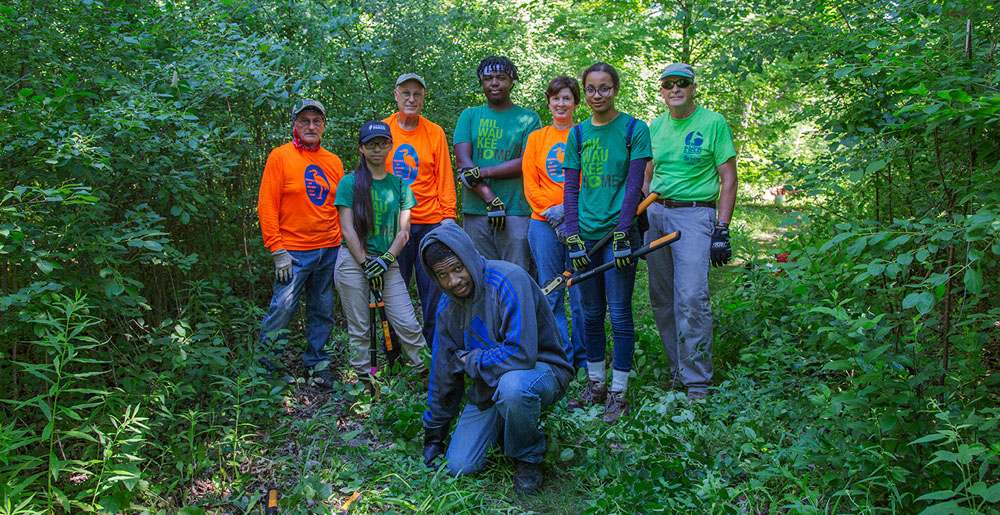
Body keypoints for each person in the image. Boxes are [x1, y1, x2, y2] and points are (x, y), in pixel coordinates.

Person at [418, 224, 573, 495]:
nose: (453, 281)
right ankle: (507, 423)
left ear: (468, 256)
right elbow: (442, 373)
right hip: (489, 385)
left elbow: (522, 354)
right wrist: (434, 435)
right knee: (458, 466)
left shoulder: (508, 279)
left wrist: (471, 360)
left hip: (541, 370)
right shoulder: (446, 308)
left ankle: (527, 457)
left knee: (513, 387)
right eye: (442, 275)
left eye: (457, 268)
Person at [562, 63, 651, 424]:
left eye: (605, 88)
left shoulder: (634, 129)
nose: (598, 95)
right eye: (592, 89)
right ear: (585, 92)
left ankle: (619, 392)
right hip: (585, 233)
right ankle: (595, 385)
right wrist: (572, 235)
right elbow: (570, 187)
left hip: (619, 233)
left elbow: (634, 186)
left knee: (619, 312)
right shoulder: (578, 134)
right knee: (592, 314)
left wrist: (624, 230)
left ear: (616, 89)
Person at [642, 63, 737, 402]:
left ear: (693, 87)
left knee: (692, 297)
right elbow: (647, 174)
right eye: (668, 85)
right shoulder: (654, 127)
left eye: (682, 83)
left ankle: (697, 379)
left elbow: (728, 178)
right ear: (662, 91)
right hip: (656, 213)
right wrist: (642, 210)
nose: (675, 89)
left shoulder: (713, 123)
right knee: (662, 297)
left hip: (695, 214)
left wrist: (721, 228)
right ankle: (676, 370)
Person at [256, 99, 344, 389]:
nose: (310, 126)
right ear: (294, 124)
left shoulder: (332, 161)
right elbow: (267, 205)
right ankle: (264, 372)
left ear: (323, 126)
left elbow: (341, 205)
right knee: (281, 310)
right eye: (304, 121)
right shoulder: (280, 156)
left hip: (329, 248)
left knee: (323, 310)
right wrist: (277, 249)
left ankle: (317, 365)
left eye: (316, 121)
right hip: (292, 252)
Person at [334, 120, 427, 383]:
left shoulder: (400, 185)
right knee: (360, 327)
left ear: (390, 147)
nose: (377, 149)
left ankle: (426, 375)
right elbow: (348, 230)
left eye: (382, 143)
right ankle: (366, 381)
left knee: (407, 323)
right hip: (353, 262)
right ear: (361, 148)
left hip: (388, 263)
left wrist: (386, 260)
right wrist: (365, 263)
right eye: (371, 144)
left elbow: (404, 232)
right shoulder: (349, 183)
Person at [382, 73, 457, 348]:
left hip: (430, 222)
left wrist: (448, 218)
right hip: (393, 224)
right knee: (393, 288)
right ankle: (395, 350)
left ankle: (434, 350)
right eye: (406, 93)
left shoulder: (433, 132)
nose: (411, 99)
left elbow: (445, 177)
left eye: (417, 94)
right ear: (396, 95)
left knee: (435, 291)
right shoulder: (383, 129)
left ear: (423, 98)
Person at [521, 75, 586, 370]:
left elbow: (590, 181)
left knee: (582, 292)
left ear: (575, 103)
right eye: (556, 98)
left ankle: (587, 359)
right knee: (551, 291)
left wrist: (569, 212)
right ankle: (562, 360)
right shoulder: (537, 138)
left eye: (567, 98)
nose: (561, 104)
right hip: (543, 223)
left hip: (580, 222)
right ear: (548, 102)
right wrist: (551, 212)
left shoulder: (585, 134)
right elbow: (530, 184)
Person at [453, 56, 542, 271]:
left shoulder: (529, 118)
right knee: (480, 274)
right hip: (476, 210)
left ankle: (519, 307)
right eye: (488, 78)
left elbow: (526, 162)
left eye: (501, 78)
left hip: (515, 210)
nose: (494, 83)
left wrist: (481, 172)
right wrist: (490, 198)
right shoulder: (470, 116)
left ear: (512, 81)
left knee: (517, 274)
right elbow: (464, 162)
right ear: (481, 82)